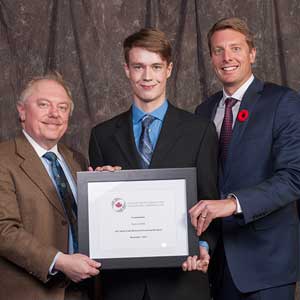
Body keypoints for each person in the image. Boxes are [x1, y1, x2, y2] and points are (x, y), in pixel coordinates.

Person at [89, 28, 219, 300]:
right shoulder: (102, 135)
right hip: (123, 287)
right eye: (138, 66)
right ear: (127, 69)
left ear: (169, 69)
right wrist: (100, 189)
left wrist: (202, 246)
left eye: (156, 66)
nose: (147, 76)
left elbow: (210, 199)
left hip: (181, 282)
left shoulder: (200, 130)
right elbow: (100, 218)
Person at [189, 17, 300, 300]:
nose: (227, 57)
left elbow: (293, 178)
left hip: (267, 267)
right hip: (217, 266)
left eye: (235, 48)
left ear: (252, 53)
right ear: (211, 57)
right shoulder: (204, 111)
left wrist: (233, 203)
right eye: (218, 50)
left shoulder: (282, 102)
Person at [0, 73, 101, 300]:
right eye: (44, 105)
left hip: (84, 290)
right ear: (22, 110)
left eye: (63, 107)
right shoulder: (3, 159)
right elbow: (3, 230)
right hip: (31, 292)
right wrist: (59, 261)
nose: (54, 114)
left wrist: (108, 188)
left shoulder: (77, 160)